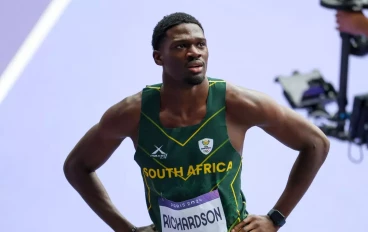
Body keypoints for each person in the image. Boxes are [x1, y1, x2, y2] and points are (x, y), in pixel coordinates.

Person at [63, 12, 330, 232]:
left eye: (200, 44)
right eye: (181, 46)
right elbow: (77, 166)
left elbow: (316, 143)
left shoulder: (238, 105)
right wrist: (125, 229)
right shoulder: (132, 114)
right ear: (159, 57)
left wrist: (276, 218)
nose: (194, 52)